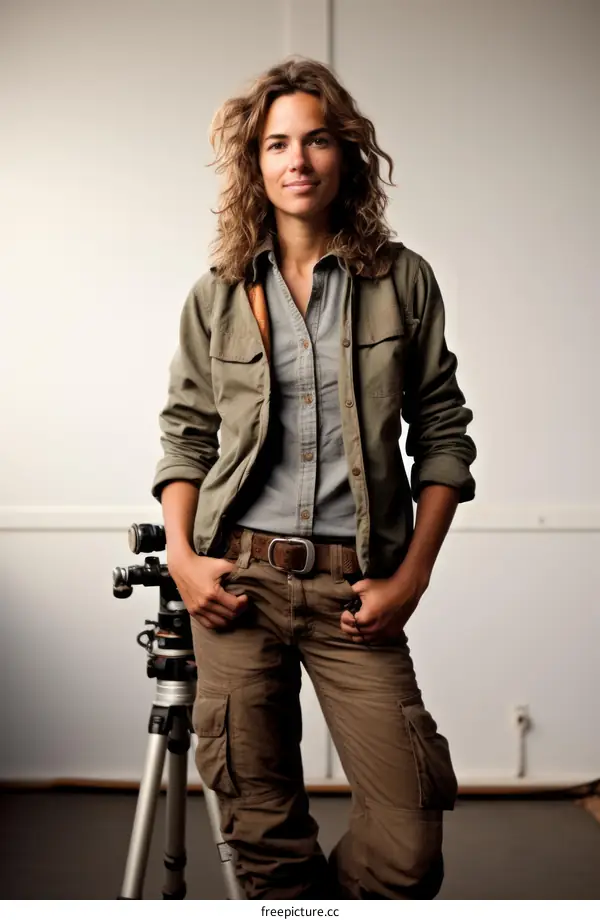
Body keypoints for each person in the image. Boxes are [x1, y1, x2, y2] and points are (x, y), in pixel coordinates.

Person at [151, 56, 476, 900]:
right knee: (261, 834)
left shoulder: (402, 282)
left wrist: (412, 577)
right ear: (254, 165)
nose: (297, 159)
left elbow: (442, 436)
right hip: (238, 587)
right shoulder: (216, 294)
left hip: (354, 595)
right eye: (276, 144)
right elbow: (186, 437)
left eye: (318, 139)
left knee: (407, 846)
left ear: (348, 156)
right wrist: (184, 559)